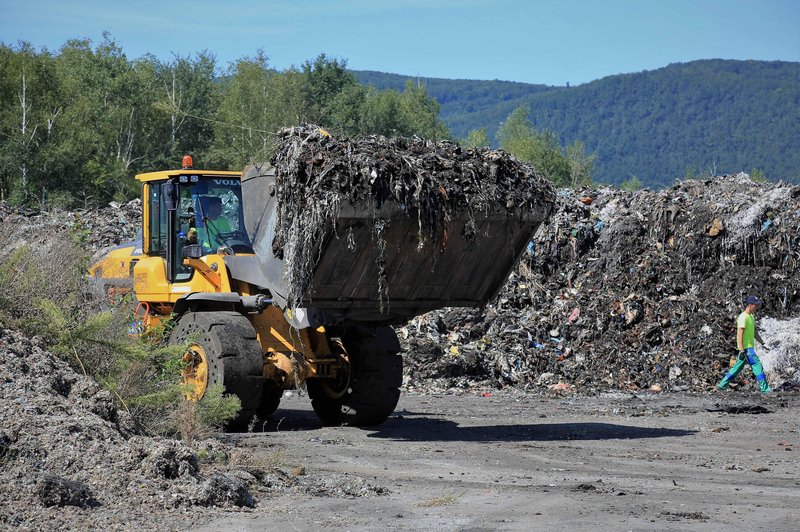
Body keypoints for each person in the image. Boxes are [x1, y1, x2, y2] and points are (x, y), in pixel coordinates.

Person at [717, 295, 771, 393]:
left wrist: (763, 343)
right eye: (756, 305)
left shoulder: (751, 317)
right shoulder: (743, 317)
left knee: (736, 369)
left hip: (747, 349)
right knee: (758, 366)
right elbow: (739, 335)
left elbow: (754, 332)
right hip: (747, 349)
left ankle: (722, 385)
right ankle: (765, 389)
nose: (757, 307)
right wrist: (741, 350)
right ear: (750, 305)